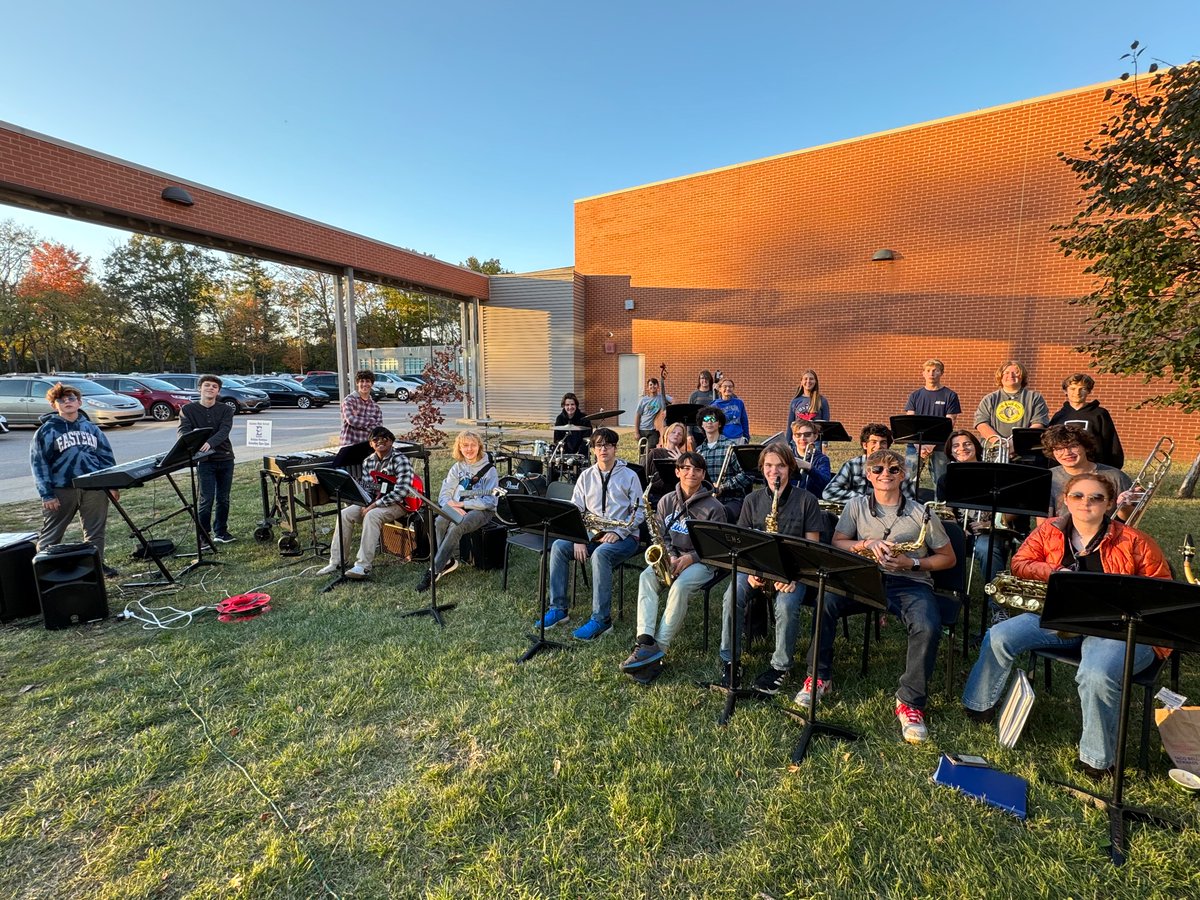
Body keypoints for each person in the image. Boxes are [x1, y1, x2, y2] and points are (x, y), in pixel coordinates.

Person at [962, 472, 1171, 780]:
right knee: (1000, 634)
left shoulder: (1136, 542)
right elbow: (1020, 562)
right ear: (1066, 499)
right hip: (1062, 619)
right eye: (1078, 496)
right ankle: (979, 705)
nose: (1086, 503)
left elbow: (1160, 593)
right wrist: (1054, 571)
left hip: (1119, 630)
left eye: (1096, 497)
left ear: (1110, 503)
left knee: (1096, 674)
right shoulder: (1050, 530)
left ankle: (1097, 761)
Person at [806, 448, 956, 743]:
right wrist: (867, 542)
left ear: (903, 475)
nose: (884, 475)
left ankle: (910, 702)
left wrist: (911, 562)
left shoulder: (922, 513)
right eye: (877, 470)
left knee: (928, 625)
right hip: (864, 577)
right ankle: (819, 677)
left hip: (910, 581)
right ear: (867, 474)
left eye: (892, 470)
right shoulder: (855, 506)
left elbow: (947, 558)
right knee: (826, 600)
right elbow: (839, 542)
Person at [718, 443, 826, 694]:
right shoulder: (752, 500)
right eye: (768, 465)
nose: (774, 471)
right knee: (731, 596)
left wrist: (794, 576)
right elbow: (741, 542)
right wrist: (753, 571)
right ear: (761, 468)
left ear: (790, 468)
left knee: (786, 605)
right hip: (757, 568)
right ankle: (730, 660)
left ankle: (780, 667)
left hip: (793, 572)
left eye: (780, 465)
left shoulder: (807, 500)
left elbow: (812, 549)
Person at [620, 451, 727, 683]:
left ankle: (659, 650)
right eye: (686, 468)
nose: (691, 473)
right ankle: (645, 640)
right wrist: (668, 554)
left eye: (697, 469)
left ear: (703, 474)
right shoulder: (667, 500)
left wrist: (690, 559)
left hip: (703, 562)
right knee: (646, 577)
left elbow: (715, 547)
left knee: (679, 588)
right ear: (677, 472)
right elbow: (662, 536)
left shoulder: (715, 508)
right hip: (671, 557)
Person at [540, 428, 644, 641]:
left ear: (615, 448)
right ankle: (559, 609)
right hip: (591, 533)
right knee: (560, 546)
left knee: (601, 554)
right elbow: (575, 509)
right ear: (594, 450)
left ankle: (602, 620)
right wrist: (577, 538)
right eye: (599, 445)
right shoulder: (586, 476)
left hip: (625, 537)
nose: (603, 449)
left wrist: (619, 531)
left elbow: (640, 511)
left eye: (608, 445)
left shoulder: (630, 476)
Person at [30, 382, 118, 577]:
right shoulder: (46, 430)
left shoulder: (91, 428)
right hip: (62, 489)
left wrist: (111, 484)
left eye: (71, 399)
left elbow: (106, 457)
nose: (67, 402)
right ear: (54, 405)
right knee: (52, 533)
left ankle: (96, 565)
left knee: (95, 531)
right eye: (61, 400)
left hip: (94, 487)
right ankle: (43, 571)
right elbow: (39, 464)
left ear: (79, 402)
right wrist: (47, 494)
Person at [317, 425, 414, 580]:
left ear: (391, 442)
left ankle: (362, 566)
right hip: (374, 501)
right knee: (344, 514)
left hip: (400, 503)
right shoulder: (368, 461)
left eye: (385, 438)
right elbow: (369, 488)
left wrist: (373, 506)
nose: (380, 442)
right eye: (375, 439)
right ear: (370, 444)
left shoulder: (400, 460)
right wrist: (364, 502)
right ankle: (337, 561)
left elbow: (402, 491)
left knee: (372, 516)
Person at [420, 430, 498, 591]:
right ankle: (448, 561)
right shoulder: (457, 468)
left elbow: (490, 501)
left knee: (457, 526)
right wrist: (452, 504)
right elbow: (444, 495)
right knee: (440, 521)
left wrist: (465, 505)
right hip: (457, 505)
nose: (469, 449)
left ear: (479, 447)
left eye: (473, 445)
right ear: (459, 448)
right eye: (465, 446)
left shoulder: (489, 470)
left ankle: (434, 569)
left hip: (481, 510)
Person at [178, 374, 236, 545]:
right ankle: (204, 537)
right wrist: (196, 444)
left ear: (218, 391)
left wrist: (210, 443)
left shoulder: (226, 409)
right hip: (204, 461)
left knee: (223, 498)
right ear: (200, 388)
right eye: (207, 385)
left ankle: (221, 532)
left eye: (214, 386)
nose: (210, 388)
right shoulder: (188, 410)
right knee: (206, 499)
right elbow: (184, 432)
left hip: (225, 458)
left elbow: (225, 430)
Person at [1041, 424, 1133, 520]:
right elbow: (1043, 522)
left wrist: (1125, 507)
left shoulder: (1116, 477)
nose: (1067, 453)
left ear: (1085, 446)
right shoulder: (1048, 477)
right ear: (1052, 452)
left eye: (1073, 446)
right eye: (1059, 449)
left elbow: (1129, 519)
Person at [822, 424, 917, 504]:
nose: (878, 447)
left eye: (883, 442)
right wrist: (866, 500)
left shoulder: (898, 467)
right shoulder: (852, 465)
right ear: (865, 445)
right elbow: (829, 492)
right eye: (874, 442)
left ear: (888, 446)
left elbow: (909, 499)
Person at [974, 360, 1049, 460]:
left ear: (1022, 376)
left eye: (1016, 372)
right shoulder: (989, 399)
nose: (1011, 375)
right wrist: (1001, 444)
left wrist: (1015, 444)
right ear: (1000, 376)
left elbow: (1038, 423)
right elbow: (981, 424)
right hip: (994, 453)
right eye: (1006, 372)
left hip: (1025, 455)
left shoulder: (1034, 397)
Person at [903, 358, 961, 487]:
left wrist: (930, 445)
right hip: (915, 445)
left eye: (935, 370)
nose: (931, 373)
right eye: (928, 370)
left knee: (940, 481)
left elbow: (949, 423)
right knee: (906, 480)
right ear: (923, 373)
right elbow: (910, 422)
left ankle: (939, 506)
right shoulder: (915, 395)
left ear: (941, 373)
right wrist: (919, 445)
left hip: (940, 444)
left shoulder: (950, 395)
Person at [1048, 373, 1124, 468]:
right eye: (1072, 389)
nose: (1077, 393)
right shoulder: (1059, 416)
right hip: (1066, 467)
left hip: (1094, 466)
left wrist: (1112, 468)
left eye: (1082, 389)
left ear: (1089, 391)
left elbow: (1111, 443)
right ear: (1065, 391)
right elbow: (1052, 445)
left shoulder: (1099, 414)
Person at [695, 405, 751, 521]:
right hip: (707, 499)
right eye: (706, 420)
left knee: (720, 516)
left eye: (713, 419)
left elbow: (746, 475)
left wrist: (723, 487)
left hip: (732, 499)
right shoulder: (699, 451)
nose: (709, 422)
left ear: (719, 424)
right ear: (702, 424)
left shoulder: (731, 447)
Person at [645, 421, 691, 507]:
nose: (676, 435)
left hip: (675, 497)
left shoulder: (684, 457)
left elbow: (687, 480)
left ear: (682, 439)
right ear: (667, 434)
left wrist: (680, 461)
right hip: (654, 496)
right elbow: (644, 474)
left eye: (680, 434)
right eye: (673, 432)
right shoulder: (655, 452)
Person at [786, 370, 830, 451]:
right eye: (805, 379)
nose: (808, 381)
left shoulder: (822, 400)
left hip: (815, 442)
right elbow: (790, 425)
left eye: (811, 379)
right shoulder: (795, 401)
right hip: (798, 441)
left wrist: (824, 444)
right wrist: (787, 443)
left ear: (816, 382)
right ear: (801, 381)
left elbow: (825, 426)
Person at [339, 370, 383, 446]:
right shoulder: (349, 401)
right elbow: (352, 420)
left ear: (372, 384)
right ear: (357, 383)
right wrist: (372, 421)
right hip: (350, 445)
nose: (364, 384)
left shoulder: (375, 407)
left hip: (368, 446)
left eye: (367, 381)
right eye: (361, 381)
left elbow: (378, 429)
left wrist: (359, 424)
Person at [791, 420, 831, 499]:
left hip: (811, 502)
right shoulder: (787, 456)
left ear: (815, 437)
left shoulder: (822, 459)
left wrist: (810, 468)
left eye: (807, 434)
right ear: (793, 437)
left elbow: (826, 483)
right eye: (798, 435)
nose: (802, 438)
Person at [635, 378, 671, 452]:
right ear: (648, 388)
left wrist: (668, 410)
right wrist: (636, 432)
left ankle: (647, 463)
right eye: (650, 385)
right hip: (642, 429)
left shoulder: (662, 397)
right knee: (641, 452)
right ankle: (642, 463)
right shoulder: (643, 400)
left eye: (654, 384)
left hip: (653, 430)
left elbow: (675, 401)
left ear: (658, 386)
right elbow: (637, 416)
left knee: (649, 451)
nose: (652, 386)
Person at [713, 377, 750, 444]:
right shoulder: (715, 405)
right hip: (722, 439)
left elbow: (744, 420)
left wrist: (746, 437)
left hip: (738, 438)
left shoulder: (739, 403)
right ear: (720, 389)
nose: (728, 388)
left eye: (730, 386)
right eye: (725, 386)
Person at [688, 370, 718, 446]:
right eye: (702, 378)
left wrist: (719, 390)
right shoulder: (694, 395)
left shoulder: (715, 394)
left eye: (706, 378)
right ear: (699, 380)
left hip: (712, 429)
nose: (704, 380)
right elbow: (689, 415)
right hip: (697, 431)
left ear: (710, 380)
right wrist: (689, 433)